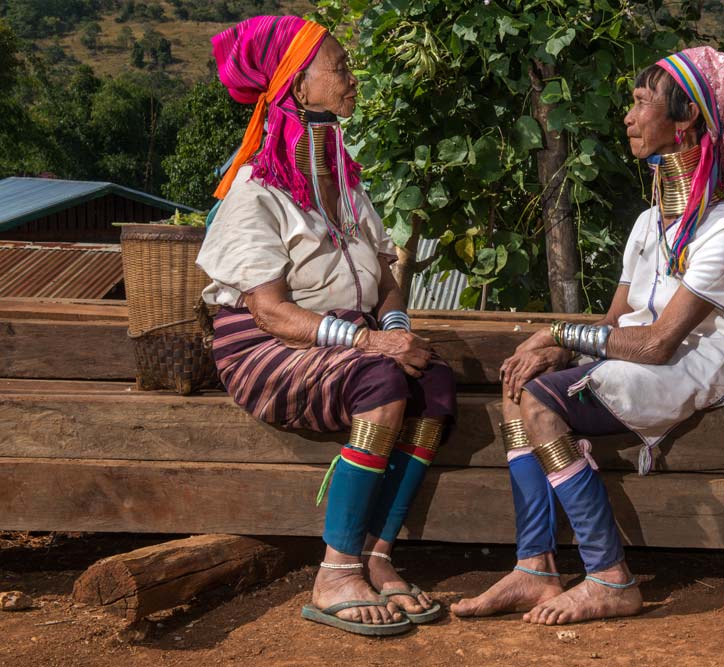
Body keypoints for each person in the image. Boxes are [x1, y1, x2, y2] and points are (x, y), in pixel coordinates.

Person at [453, 46, 724, 625]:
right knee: (520, 386)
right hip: (662, 346)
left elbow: (659, 343)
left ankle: (610, 577)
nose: (629, 117)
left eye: (641, 104)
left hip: (717, 355)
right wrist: (553, 346)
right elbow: (614, 324)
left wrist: (557, 331)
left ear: (684, 120)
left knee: (540, 402)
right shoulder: (647, 222)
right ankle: (535, 567)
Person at [196, 16, 456, 636]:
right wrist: (372, 341)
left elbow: (386, 273)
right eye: (338, 66)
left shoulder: (345, 185)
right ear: (294, 83)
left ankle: (376, 553)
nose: (351, 77)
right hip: (268, 345)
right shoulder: (255, 191)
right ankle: (335, 570)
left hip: (350, 335)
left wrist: (395, 327)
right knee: (380, 382)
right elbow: (270, 312)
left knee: (436, 384)